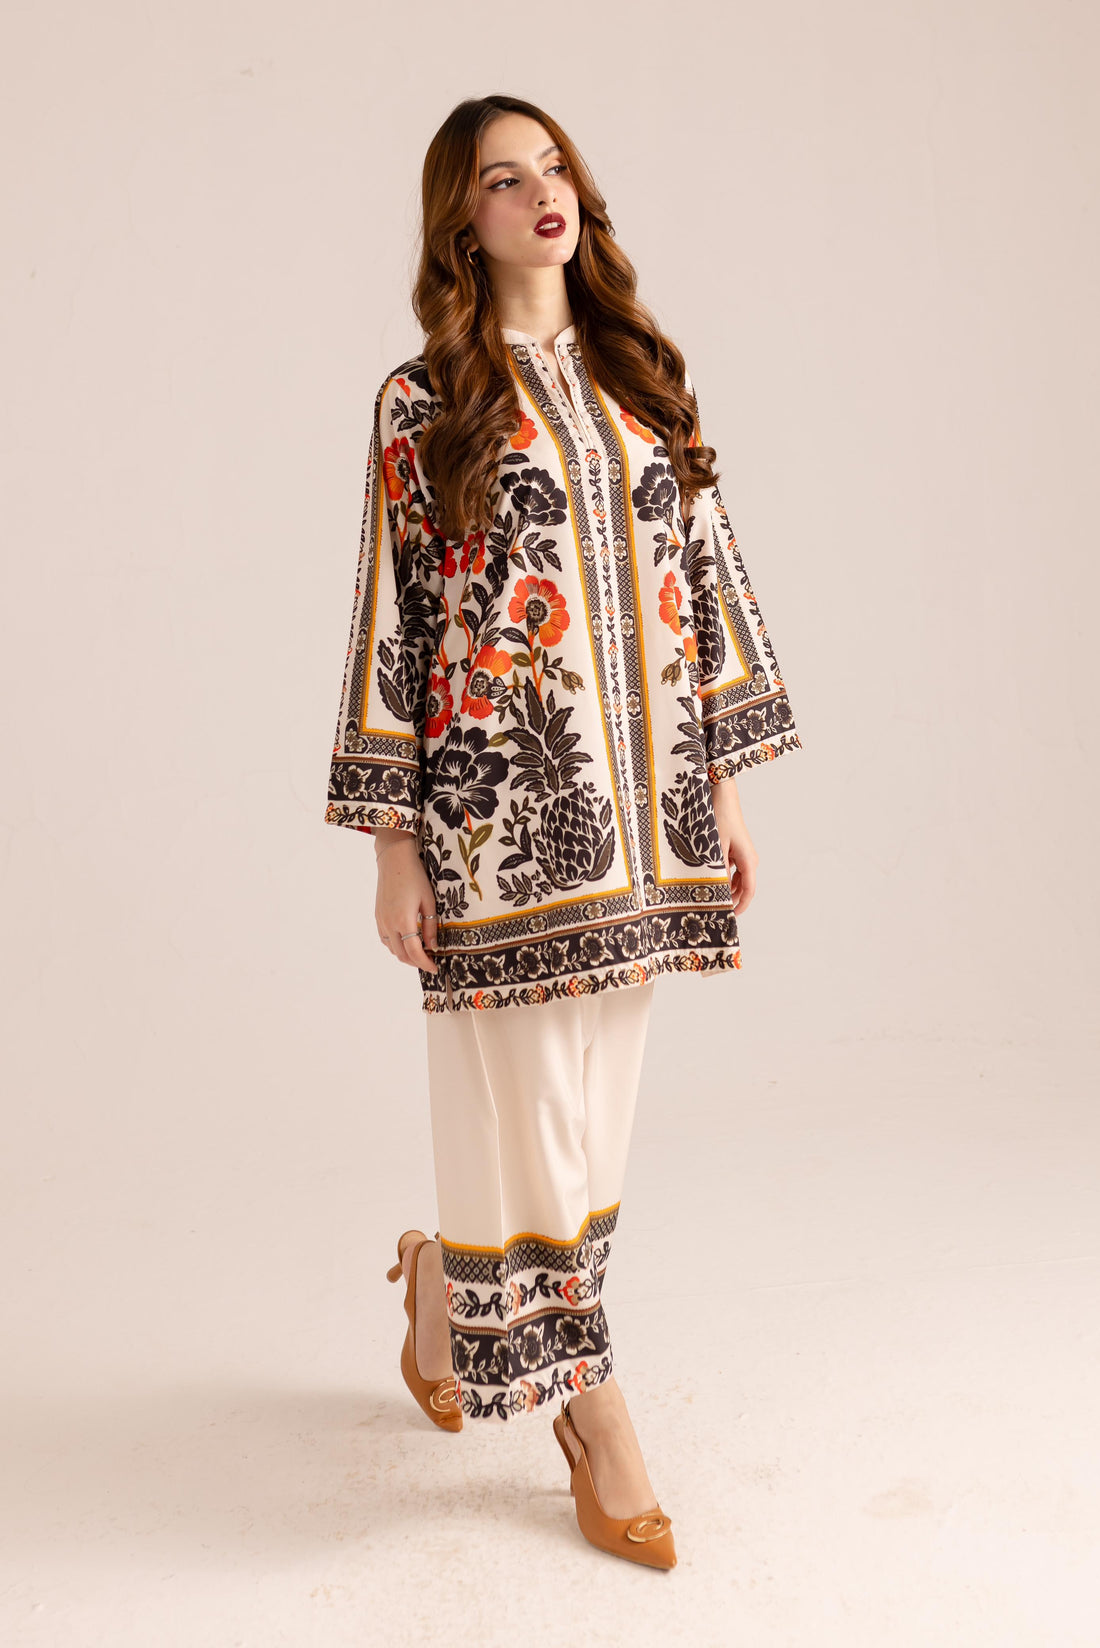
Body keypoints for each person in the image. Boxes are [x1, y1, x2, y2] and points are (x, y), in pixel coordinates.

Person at [325, 94, 802, 1569]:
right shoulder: (423, 403)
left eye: (555, 168)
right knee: (532, 1116)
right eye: (501, 178)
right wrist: (392, 841)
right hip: (499, 821)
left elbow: (706, 579)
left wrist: (725, 787)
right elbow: (393, 619)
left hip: (650, 814)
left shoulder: (644, 382)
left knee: (592, 1115)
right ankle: (593, 1409)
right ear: (460, 223)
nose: (542, 193)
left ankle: (439, 1290)